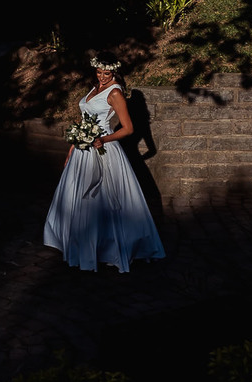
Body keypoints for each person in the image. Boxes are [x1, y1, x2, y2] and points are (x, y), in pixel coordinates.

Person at [43, 52, 165, 272]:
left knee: (103, 198)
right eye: (99, 72)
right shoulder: (94, 88)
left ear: (115, 72)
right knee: (77, 196)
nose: (101, 77)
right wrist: (73, 147)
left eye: (106, 73)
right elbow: (84, 121)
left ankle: (106, 247)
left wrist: (103, 139)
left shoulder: (115, 92)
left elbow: (128, 129)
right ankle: (78, 243)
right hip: (83, 149)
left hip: (103, 149)